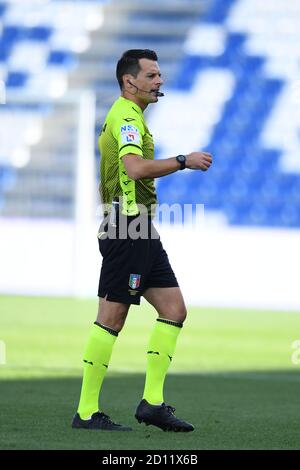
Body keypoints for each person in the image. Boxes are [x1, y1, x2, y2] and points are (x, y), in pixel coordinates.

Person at [72, 49, 212, 432]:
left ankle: (151, 403)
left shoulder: (132, 117)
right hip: (126, 225)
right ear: (128, 81)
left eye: (159, 75)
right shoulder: (126, 116)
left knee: (174, 308)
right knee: (112, 317)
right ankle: (86, 411)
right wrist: (183, 160)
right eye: (151, 75)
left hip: (141, 228)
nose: (159, 81)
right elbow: (133, 169)